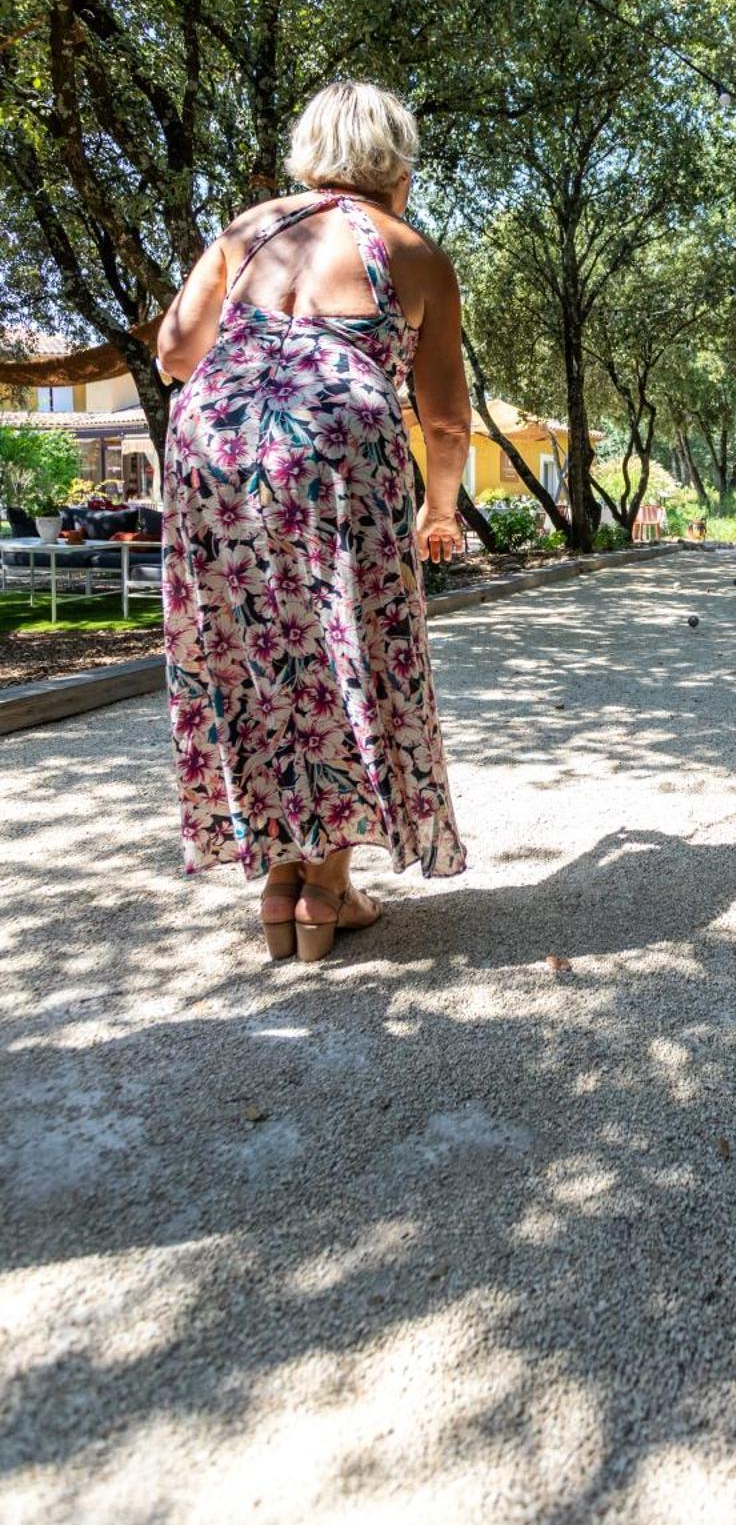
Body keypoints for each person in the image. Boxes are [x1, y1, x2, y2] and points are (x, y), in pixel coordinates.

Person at [156, 81, 471, 961]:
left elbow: (177, 352)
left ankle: (279, 881)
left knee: (254, 648)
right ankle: (325, 889)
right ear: (397, 163)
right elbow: (444, 419)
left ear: (308, 154)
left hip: (212, 449)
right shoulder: (411, 251)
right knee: (339, 641)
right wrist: (438, 512)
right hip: (336, 451)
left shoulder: (251, 229)